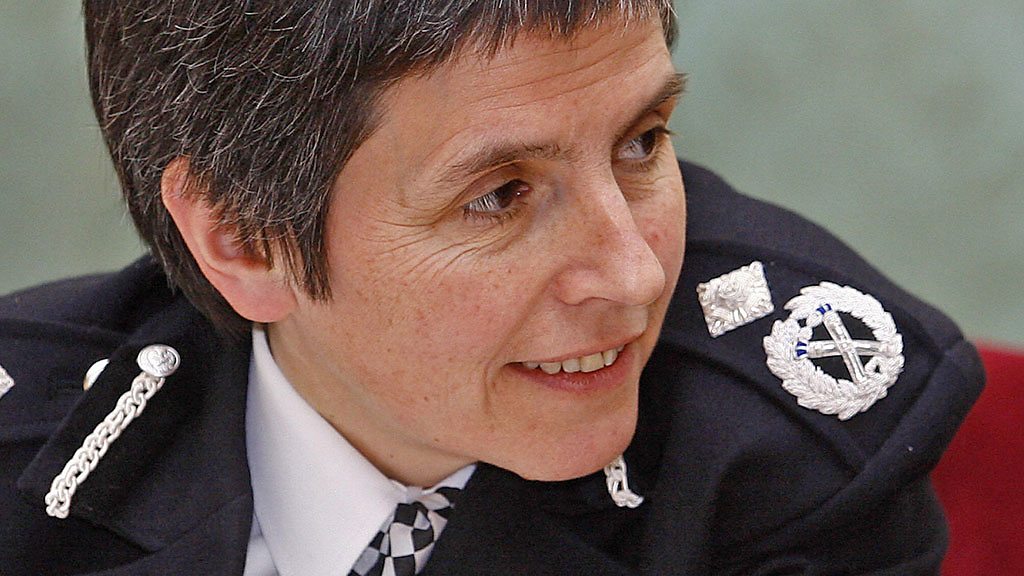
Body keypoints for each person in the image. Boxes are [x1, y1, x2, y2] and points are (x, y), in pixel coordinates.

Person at [0, 1, 983, 574]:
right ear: (244, 240)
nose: (636, 274)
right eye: (500, 195)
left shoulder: (777, 470)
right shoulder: (25, 466)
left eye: (641, 141)